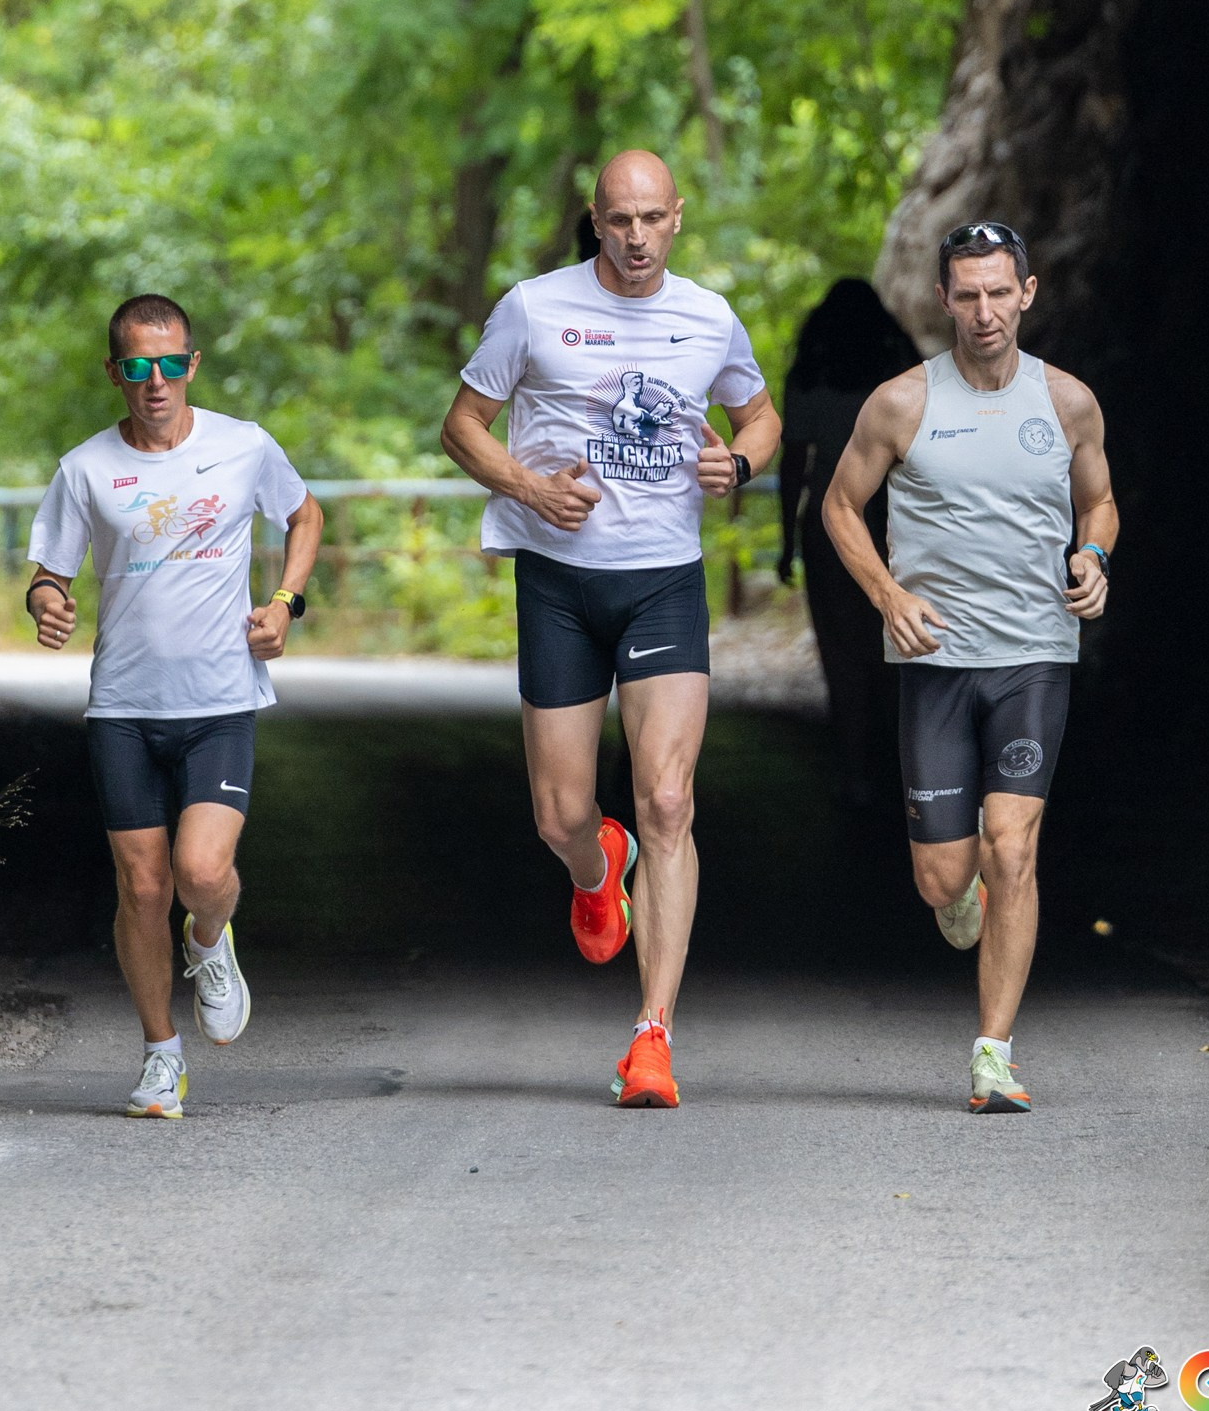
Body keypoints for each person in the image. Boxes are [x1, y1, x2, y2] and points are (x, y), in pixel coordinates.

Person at [441, 150, 781, 1108]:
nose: (635, 238)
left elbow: (759, 418)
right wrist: (525, 486)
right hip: (558, 582)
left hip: (663, 580)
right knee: (559, 815)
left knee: (668, 798)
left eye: (651, 219)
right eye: (617, 220)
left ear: (677, 218)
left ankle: (653, 1037)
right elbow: (463, 424)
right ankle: (601, 867)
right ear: (595, 220)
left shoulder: (710, 317)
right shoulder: (531, 308)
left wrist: (740, 469)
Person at [821, 218, 1117, 1115]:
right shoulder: (901, 403)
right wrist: (887, 597)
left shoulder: (1068, 402)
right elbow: (840, 505)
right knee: (944, 880)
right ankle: (965, 895)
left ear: (1027, 294)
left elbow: (1098, 500)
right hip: (938, 662)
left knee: (1013, 846)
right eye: (968, 293)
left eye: (1000, 291)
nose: (985, 310)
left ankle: (994, 1052)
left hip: (1033, 658)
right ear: (943, 298)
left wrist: (1095, 558)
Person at [24, 294, 323, 1120]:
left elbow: (305, 514)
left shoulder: (243, 446)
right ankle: (162, 1058)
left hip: (221, 698)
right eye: (135, 366)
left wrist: (286, 601)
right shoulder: (84, 469)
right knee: (142, 888)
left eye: (168, 364)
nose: (154, 382)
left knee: (200, 875)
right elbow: (50, 569)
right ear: (114, 372)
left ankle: (209, 940)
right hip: (123, 704)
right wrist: (45, 599)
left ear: (191, 365)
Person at [777, 278, 918, 809]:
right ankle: (904, 773)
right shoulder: (902, 380)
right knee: (898, 647)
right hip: (894, 525)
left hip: (828, 530)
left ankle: (856, 771)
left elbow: (796, 464)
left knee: (842, 653)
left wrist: (787, 541)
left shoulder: (810, 379)